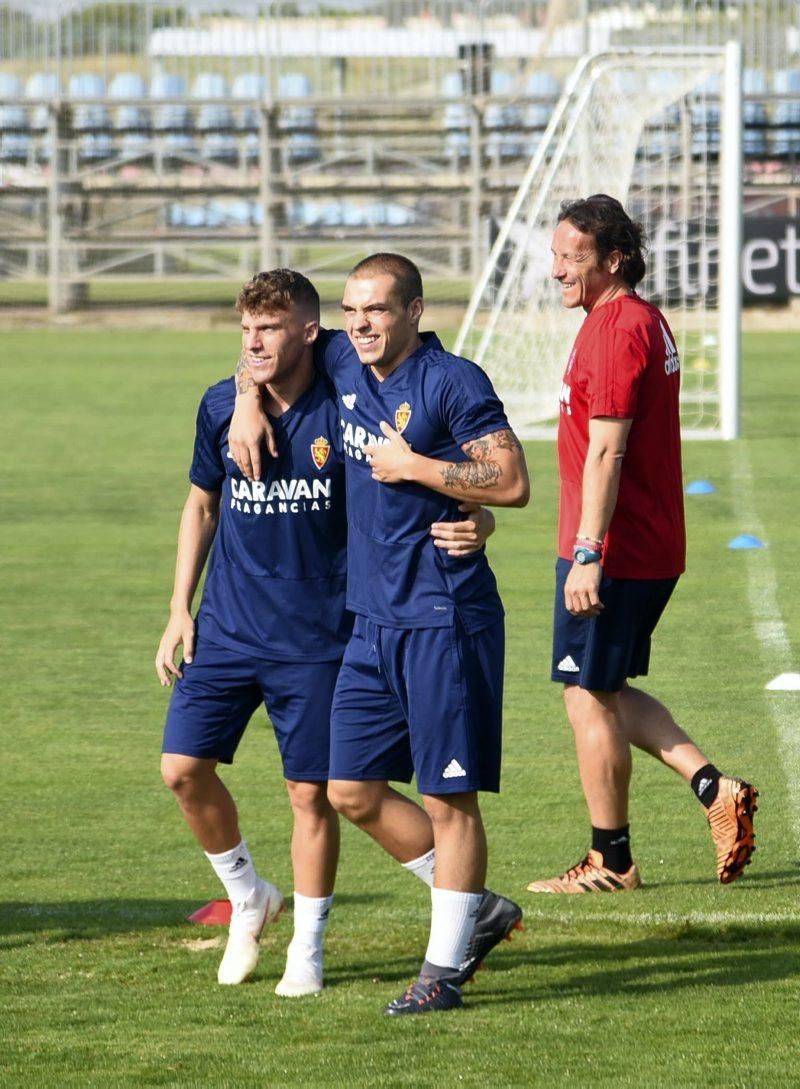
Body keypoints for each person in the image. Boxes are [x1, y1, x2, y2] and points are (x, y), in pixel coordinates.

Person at [156, 268, 495, 997]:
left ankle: (311, 946)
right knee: (181, 768)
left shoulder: (347, 392)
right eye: (245, 329)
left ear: (313, 333)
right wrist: (179, 606)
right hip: (226, 627)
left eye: (270, 329)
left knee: (320, 794)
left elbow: (401, 494)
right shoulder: (221, 403)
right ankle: (251, 893)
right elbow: (200, 504)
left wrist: (478, 513)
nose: (253, 342)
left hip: (321, 634)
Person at [230, 253, 530, 1016]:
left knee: (448, 795)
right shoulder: (340, 354)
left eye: (379, 310)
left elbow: (512, 480)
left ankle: (443, 971)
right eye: (352, 309)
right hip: (369, 621)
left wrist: (420, 467)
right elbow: (267, 344)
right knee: (350, 788)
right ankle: (476, 910)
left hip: (444, 616)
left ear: (415, 312)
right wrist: (245, 400)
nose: (361, 323)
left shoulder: (451, 380)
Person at [525, 194, 758, 896]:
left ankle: (611, 861)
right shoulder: (630, 320)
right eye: (556, 255)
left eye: (574, 257)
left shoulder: (618, 327)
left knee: (587, 695)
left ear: (613, 258)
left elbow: (608, 450)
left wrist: (588, 550)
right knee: (603, 687)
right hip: (637, 542)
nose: (559, 269)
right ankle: (714, 787)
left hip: (616, 548)